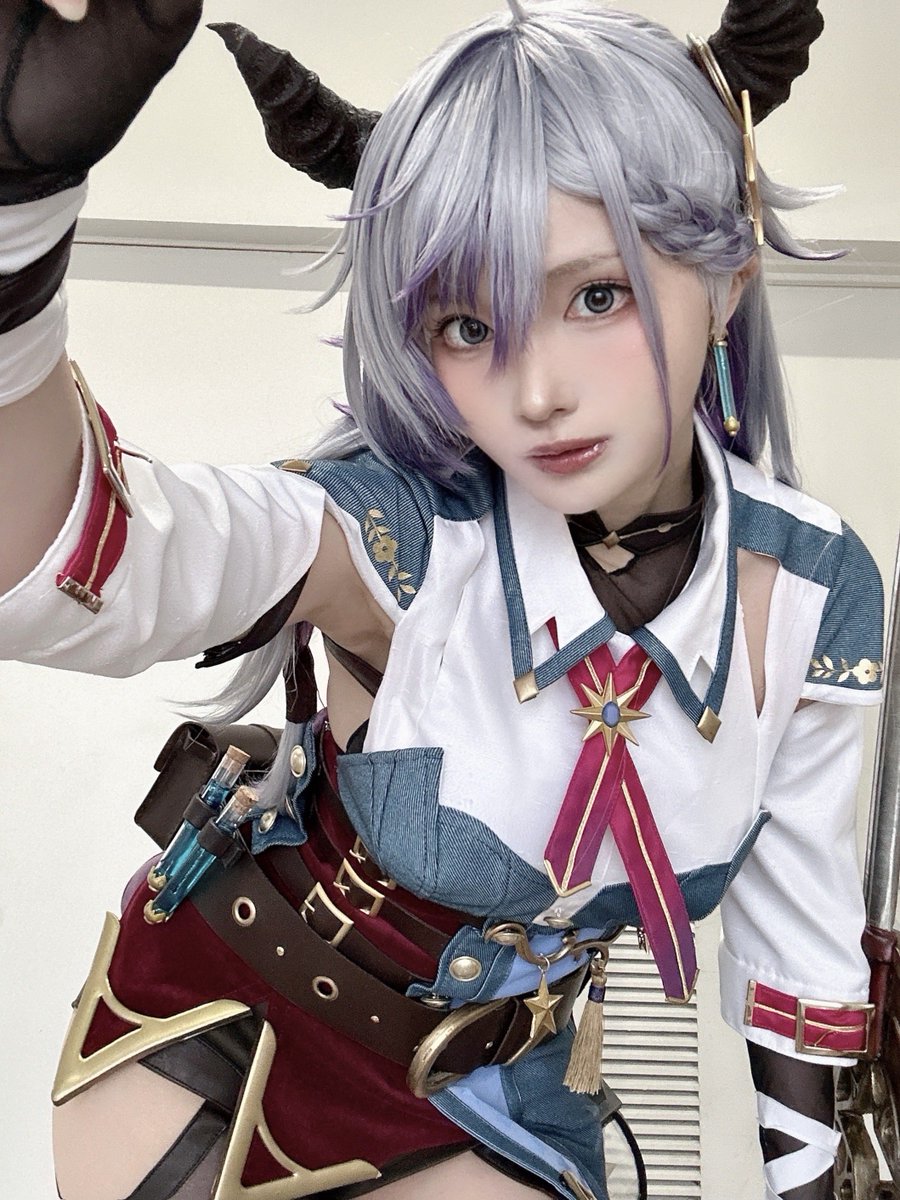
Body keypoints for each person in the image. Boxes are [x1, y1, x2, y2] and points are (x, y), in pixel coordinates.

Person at [0, 1, 885, 1198]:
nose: (536, 392)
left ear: (727, 276)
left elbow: (800, 937)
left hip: (504, 1087)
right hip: (238, 1017)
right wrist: (14, 234)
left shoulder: (814, 587)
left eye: (597, 297)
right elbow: (94, 570)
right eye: (471, 325)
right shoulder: (411, 534)